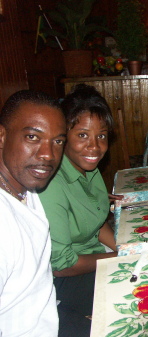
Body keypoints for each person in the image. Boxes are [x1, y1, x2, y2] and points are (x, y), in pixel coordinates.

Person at [39, 84, 122, 332]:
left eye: (102, 135)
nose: (95, 147)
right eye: (82, 135)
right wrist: (116, 259)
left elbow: (96, 223)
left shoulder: (89, 169)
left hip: (96, 256)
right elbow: (62, 265)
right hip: (65, 281)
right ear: (63, 136)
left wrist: (125, 248)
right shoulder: (52, 184)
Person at [0, 90, 66, 336]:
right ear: (2, 136)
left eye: (57, 141)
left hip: (51, 315)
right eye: (32, 137)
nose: (48, 154)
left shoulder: (26, 189)